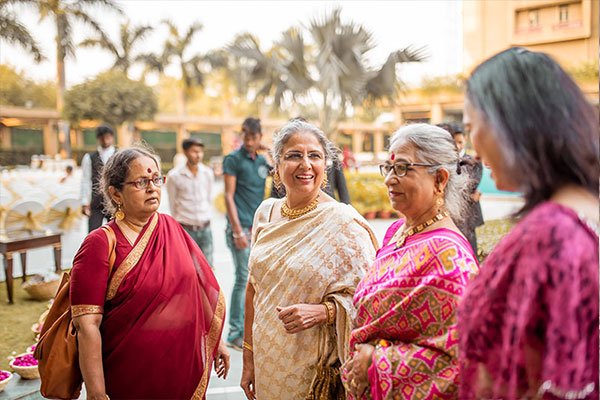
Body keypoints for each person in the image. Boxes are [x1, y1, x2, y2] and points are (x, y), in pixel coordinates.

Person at [459, 48, 599, 399]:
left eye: (472, 126)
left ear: (512, 122)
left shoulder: (552, 233)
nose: (473, 149)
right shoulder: (582, 213)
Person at [70, 146, 230, 399]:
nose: (153, 187)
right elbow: (86, 324)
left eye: (156, 179)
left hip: (179, 364)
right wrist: (96, 392)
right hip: (127, 374)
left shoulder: (171, 227)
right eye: (141, 182)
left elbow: (198, 286)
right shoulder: (100, 243)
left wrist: (216, 340)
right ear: (115, 193)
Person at [240, 120, 377, 399]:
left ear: (325, 165)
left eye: (314, 155)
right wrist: (249, 356)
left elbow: (370, 302)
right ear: (277, 166)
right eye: (294, 155)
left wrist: (324, 312)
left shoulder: (343, 223)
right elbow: (254, 287)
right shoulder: (266, 213)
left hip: (312, 371)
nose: (305, 164)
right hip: (268, 361)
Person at [342, 123, 480, 399]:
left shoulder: (449, 256)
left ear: (440, 179)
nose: (390, 179)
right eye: (389, 167)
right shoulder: (396, 232)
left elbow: (459, 363)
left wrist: (375, 361)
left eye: (403, 168)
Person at [223, 117, 270, 350]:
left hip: (259, 229)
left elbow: (281, 170)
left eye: (254, 136)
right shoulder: (233, 160)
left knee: (255, 280)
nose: (250, 141)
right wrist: (237, 231)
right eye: (247, 136)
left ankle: (249, 331)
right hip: (240, 228)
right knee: (242, 278)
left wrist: (269, 150)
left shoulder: (262, 161)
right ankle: (234, 333)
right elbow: (228, 196)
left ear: (260, 137)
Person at [167, 137, 215, 265]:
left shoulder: (208, 173)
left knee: (208, 268)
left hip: (205, 228)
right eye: (194, 151)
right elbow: (173, 204)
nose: (198, 155)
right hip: (186, 229)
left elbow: (209, 198)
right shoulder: (174, 176)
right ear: (185, 152)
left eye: (200, 151)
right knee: (187, 268)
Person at [437, 122, 484, 254]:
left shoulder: (472, 160)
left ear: (465, 140)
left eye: (460, 142)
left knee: (470, 240)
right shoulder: (447, 160)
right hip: (453, 208)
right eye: (454, 142)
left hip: (469, 207)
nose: (458, 145)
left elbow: (475, 179)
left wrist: (474, 191)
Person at [80, 125, 116, 232]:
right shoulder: (89, 157)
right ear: (98, 139)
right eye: (102, 138)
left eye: (107, 137)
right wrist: (84, 202)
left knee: (117, 234)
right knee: (93, 233)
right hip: (96, 201)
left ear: (112, 137)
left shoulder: (119, 155)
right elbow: (85, 180)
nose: (105, 140)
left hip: (114, 201)